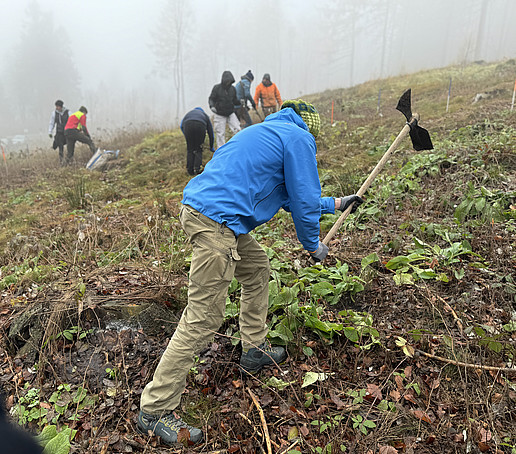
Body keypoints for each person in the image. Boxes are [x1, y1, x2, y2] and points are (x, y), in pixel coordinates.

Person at [137, 99, 363, 446]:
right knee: (202, 319)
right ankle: (154, 409)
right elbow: (302, 200)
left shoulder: (267, 131)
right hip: (217, 224)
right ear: (310, 127)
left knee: (257, 268)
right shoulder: (298, 137)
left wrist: (335, 204)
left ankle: (253, 349)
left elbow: (291, 194)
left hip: (206, 211)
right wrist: (314, 246)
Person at [208, 70, 241, 149]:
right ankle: (221, 149)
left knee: (238, 130)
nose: (228, 82)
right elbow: (211, 99)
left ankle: (237, 146)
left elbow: (235, 100)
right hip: (219, 113)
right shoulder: (216, 88)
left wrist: (240, 102)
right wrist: (212, 106)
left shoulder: (232, 89)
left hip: (230, 113)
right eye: (227, 80)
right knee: (220, 133)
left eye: (230, 81)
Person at [180, 107, 215, 176]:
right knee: (198, 149)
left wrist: (186, 136)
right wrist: (211, 147)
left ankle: (190, 170)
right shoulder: (204, 115)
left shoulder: (189, 113)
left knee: (190, 149)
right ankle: (197, 169)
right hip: (200, 125)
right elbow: (211, 133)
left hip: (188, 125)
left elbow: (181, 126)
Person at [48, 99, 69, 166]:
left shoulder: (68, 112)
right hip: (59, 132)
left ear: (61, 106)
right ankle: (61, 160)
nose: (56, 108)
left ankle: (68, 159)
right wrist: (50, 131)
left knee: (69, 146)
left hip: (67, 132)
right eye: (56, 106)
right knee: (60, 147)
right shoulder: (54, 113)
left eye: (58, 106)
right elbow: (52, 123)